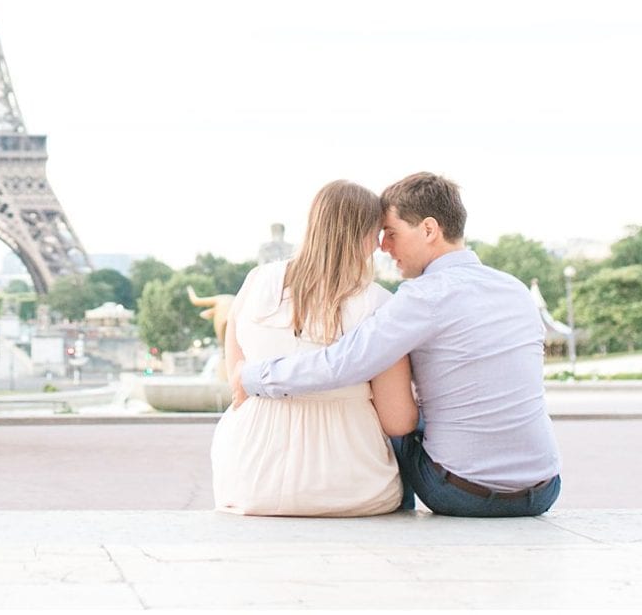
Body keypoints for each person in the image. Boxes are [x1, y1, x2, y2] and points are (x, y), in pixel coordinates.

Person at [233, 172, 562, 518]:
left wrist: (252, 377)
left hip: (461, 492)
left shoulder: (422, 297)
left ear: (429, 230)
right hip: (544, 488)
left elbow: (344, 363)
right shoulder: (515, 289)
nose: (384, 247)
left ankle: (393, 511)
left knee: (392, 418)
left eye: (391, 234)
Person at [212, 180, 418, 516]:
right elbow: (397, 421)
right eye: (378, 232)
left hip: (248, 478)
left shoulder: (257, 281)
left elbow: (237, 381)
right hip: (348, 484)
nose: (381, 245)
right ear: (364, 236)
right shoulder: (379, 304)